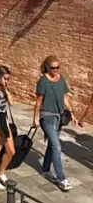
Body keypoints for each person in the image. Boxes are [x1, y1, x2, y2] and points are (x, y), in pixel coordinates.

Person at [33, 55, 78, 192]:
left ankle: (46, 170)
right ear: (47, 67)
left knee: (52, 145)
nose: (55, 70)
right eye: (53, 68)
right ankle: (61, 179)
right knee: (57, 147)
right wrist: (35, 118)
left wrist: (72, 113)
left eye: (57, 67)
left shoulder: (61, 79)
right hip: (46, 117)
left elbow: (64, 98)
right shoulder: (42, 82)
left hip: (59, 117)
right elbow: (39, 101)